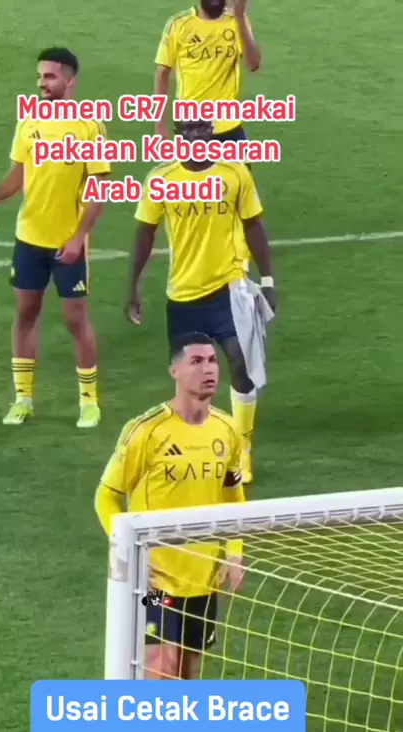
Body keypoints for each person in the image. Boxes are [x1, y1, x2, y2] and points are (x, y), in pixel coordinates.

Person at [94, 331, 245, 732]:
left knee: (186, 679)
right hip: (154, 579)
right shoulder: (147, 431)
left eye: (213, 360)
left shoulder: (228, 430)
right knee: (160, 671)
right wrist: (127, 548)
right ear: (175, 371)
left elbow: (233, 496)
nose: (209, 369)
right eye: (197, 361)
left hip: (202, 578)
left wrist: (235, 552)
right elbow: (106, 496)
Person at [126, 118, 276, 484]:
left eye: (203, 128)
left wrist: (268, 280)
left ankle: (241, 450)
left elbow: (253, 225)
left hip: (229, 288)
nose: (197, 134)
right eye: (189, 129)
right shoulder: (162, 178)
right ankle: (197, 448)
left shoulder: (235, 173)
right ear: (180, 134)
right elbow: (145, 233)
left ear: (212, 131)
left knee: (240, 363)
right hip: (183, 295)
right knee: (192, 377)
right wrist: (134, 286)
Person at [0, 47, 110, 428]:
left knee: (75, 319)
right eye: (39, 76)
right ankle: (23, 400)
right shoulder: (29, 122)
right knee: (26, 315)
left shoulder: (89, 127)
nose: (41, 84)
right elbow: (18, 176)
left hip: (67, 241)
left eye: (49, 76)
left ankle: (88, 402)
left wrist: (79, 237)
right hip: (29, 238)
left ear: (70, 80)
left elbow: (99, 188)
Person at [154, 0, 260, 146]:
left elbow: (253, 64)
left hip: (229, 123)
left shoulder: (236, 21)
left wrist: (240, 17)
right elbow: (162, 74)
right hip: (191, 124)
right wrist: (160, 126)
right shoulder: (179, 24)